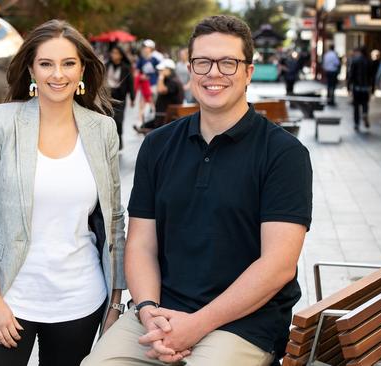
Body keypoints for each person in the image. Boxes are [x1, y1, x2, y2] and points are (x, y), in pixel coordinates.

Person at [83, 14, 312, 366]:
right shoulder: (158, 145)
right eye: (202, 62)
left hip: (243, 324)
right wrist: (147, 310)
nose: (213, 73)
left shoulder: (283, 154)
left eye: (228, 62)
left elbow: (277, 266)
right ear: (190, 69)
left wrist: (195, 326)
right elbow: (142, 243)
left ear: (248, 72)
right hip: (160, 312)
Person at [0, 19, 126, 366]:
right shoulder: (1, 122)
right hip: (7, 297)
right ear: (31, 69)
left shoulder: (102, 128)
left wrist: (115, 304)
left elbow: (114, 220)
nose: (57, 74)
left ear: (82, 71)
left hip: (81, 299)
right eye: (46, 63)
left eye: (68, 63)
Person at [137, 58, 184, 131]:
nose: (159, 72)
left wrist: (161, 77)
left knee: (146, 128)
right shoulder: (169, 79)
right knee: (143, 126)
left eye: (162, 70)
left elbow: (160, 90)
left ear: (169, 70)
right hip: (162, 116)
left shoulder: (173, 81)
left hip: (166, 118)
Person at [106, 45, 135, 150]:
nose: (114, 55)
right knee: (108, 118)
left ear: (121, 55)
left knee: (119, 120)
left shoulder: (125, 68)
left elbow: (130, 83)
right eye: (113, 53)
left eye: (117, 53)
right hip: (107, 97)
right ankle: (109, 141)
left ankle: (119, 139)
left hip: (120, 97)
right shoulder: (106, 65)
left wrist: (132, 98)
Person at [347, 46, 373, 131]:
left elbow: (351, 74)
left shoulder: (355, 60)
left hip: (356, 87)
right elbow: (371, 76)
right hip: (365, 87)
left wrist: (349, 86)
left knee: (356, 106)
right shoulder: (369, 61)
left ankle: (356, 123)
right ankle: (365, 113)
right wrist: (372, 87)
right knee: (365, 103)